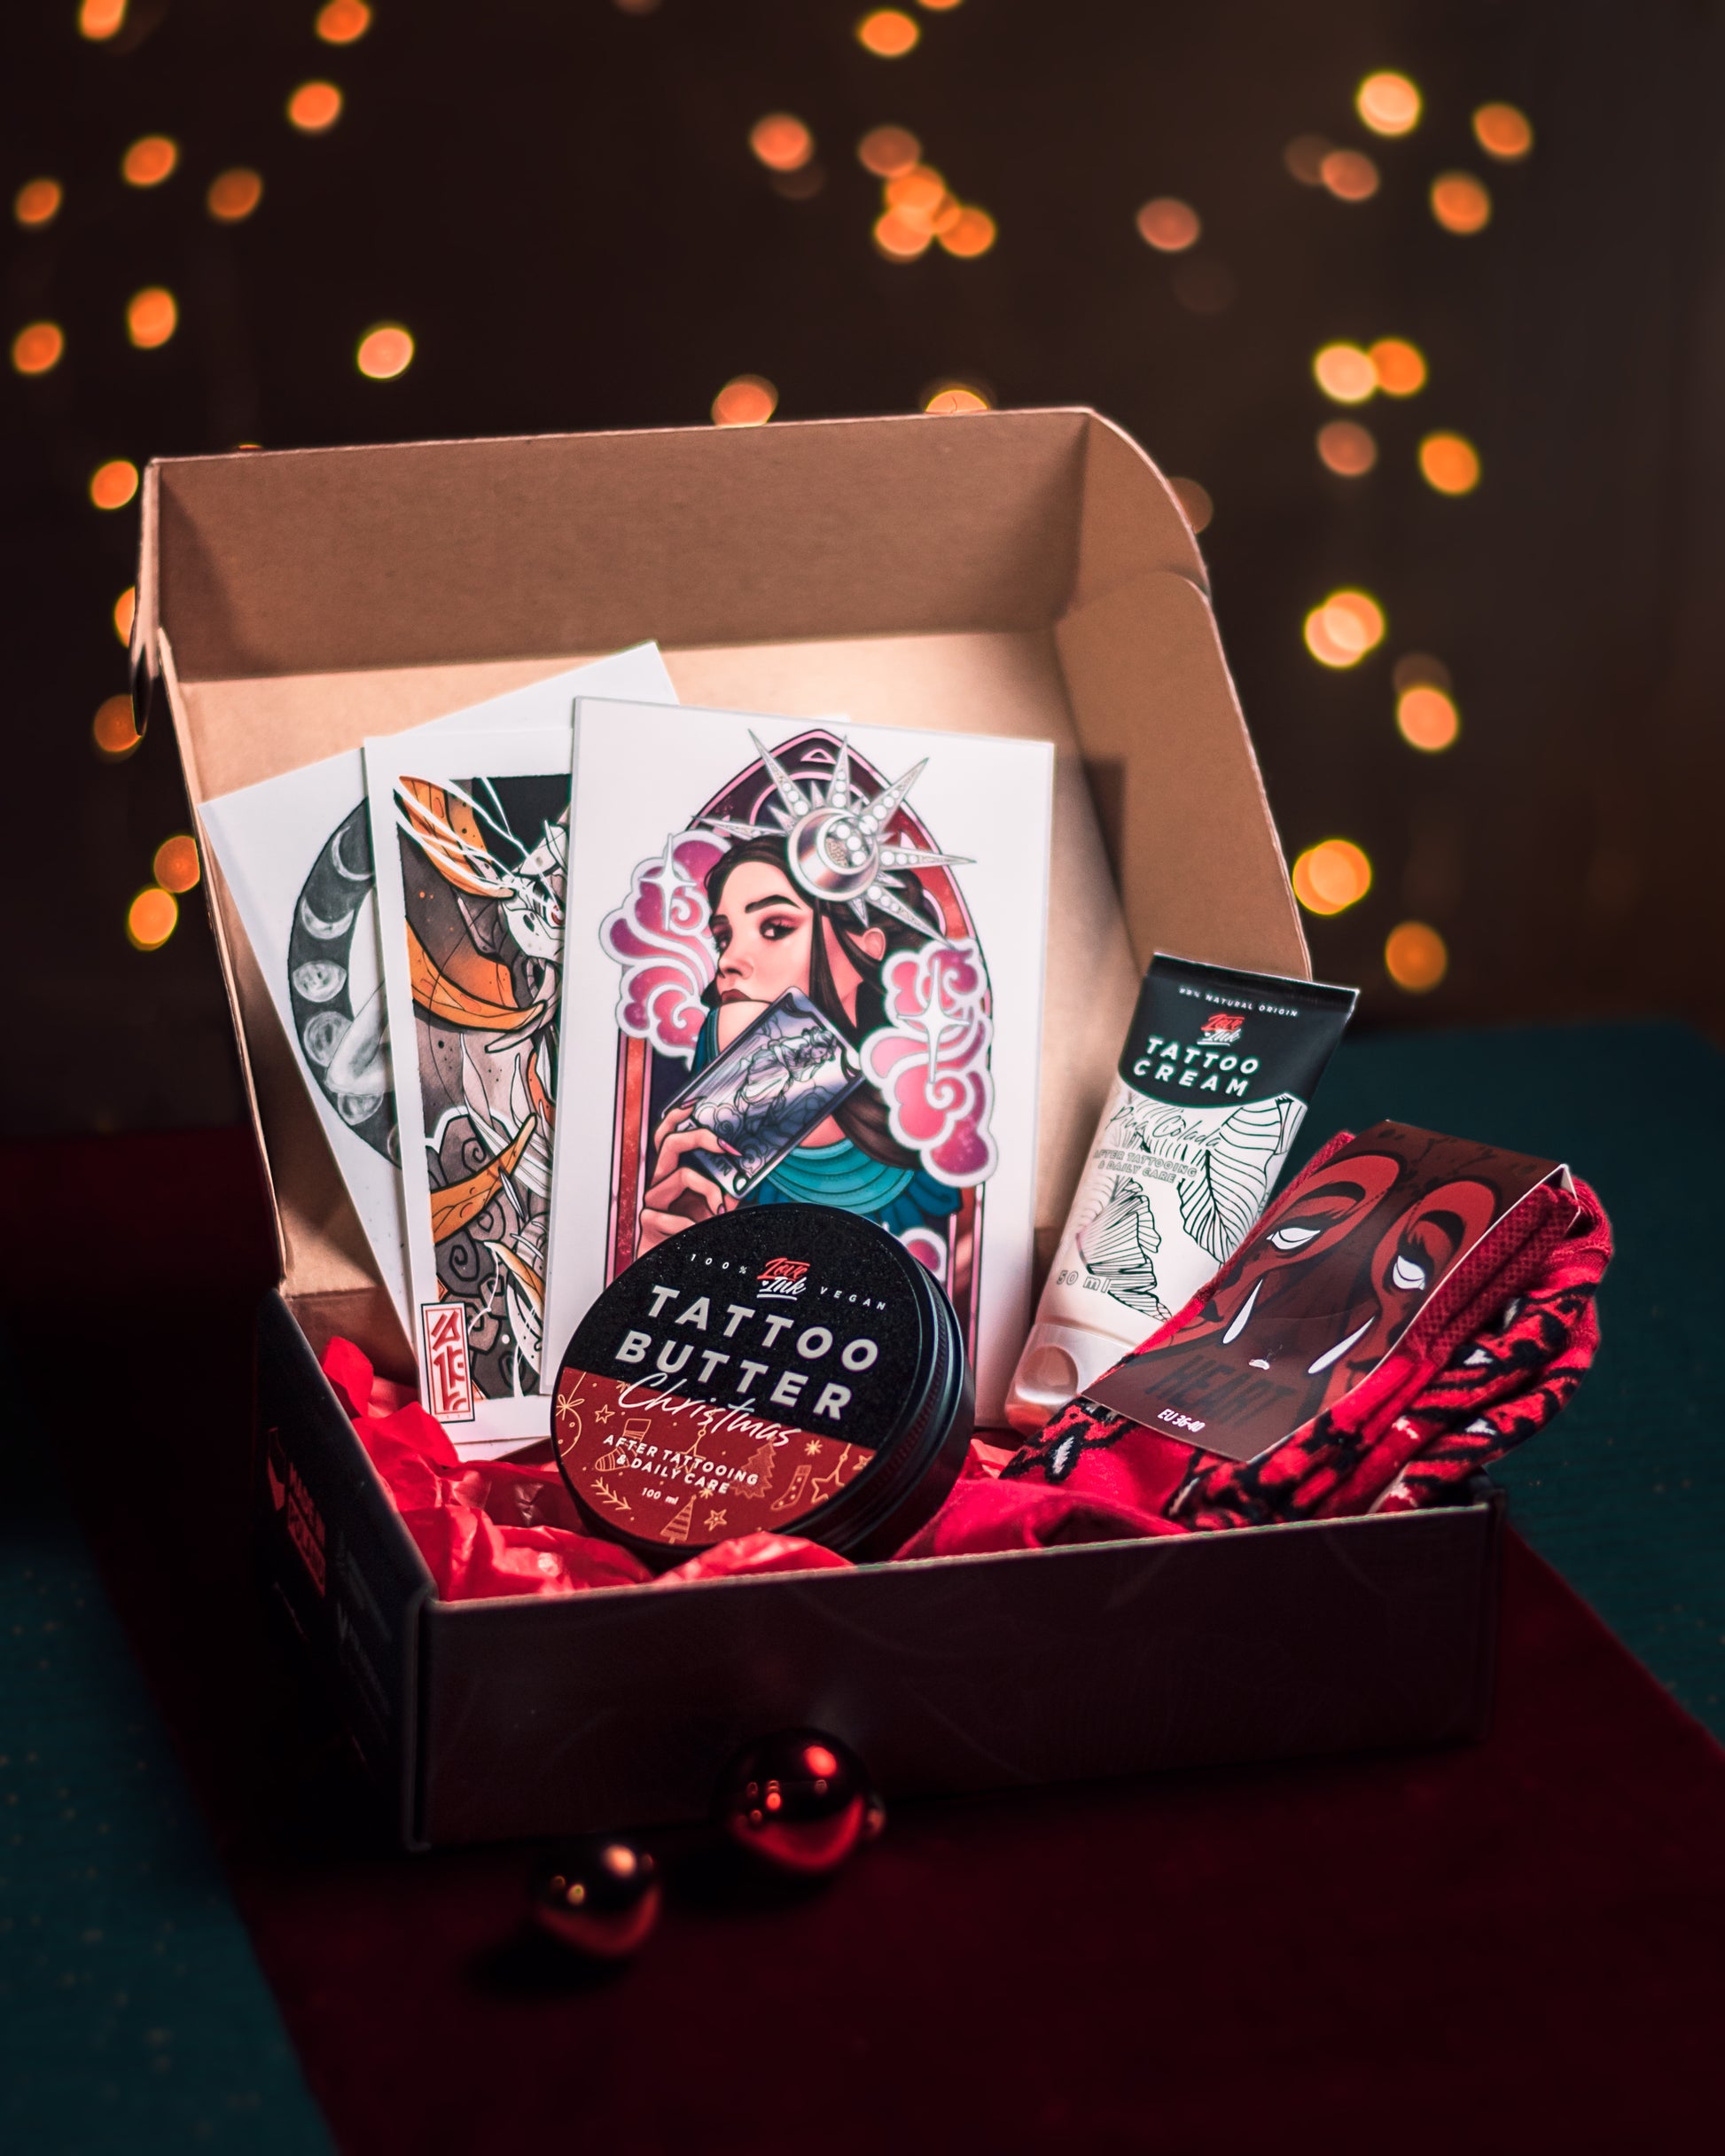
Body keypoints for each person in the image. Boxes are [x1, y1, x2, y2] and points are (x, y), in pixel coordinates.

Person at [637, 832, 964, 1254]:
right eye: (723, 938)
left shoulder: (924, 1137)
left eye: (775, 928)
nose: (727, 961)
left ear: (867, 948)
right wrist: (658, 1255)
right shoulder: (710, 1091)